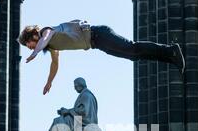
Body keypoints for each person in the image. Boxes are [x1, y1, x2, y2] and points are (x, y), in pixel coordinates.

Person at [18, 19, 185, 95]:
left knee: (132, 48)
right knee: (134, 56)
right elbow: (55, 64)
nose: (30, 48)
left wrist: (35, 52)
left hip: (99, 34)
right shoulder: (52, 46)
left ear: (32, 37)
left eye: (29, 45)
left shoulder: (46, 31)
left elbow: (45, 38)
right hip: (97, 44)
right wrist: (49, 82)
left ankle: (170, 50)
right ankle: (171, 57)